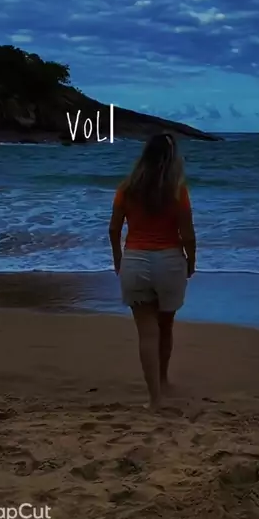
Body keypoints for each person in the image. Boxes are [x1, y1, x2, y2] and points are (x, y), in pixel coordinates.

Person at [108, 132, 196, 410]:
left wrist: (118, 258)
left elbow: (114, 229)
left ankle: (154, 398)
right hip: (169, 262)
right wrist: (191, 261)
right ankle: (164, 380)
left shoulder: (127, 188)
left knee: (147, 333)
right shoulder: (177, 190)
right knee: (165, 327)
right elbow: (187, 234)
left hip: (135, 261)